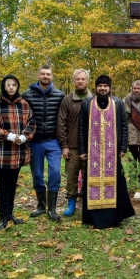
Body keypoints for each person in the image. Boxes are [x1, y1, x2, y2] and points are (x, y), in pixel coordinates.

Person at [78, 75, 135, 229]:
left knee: (116, 183)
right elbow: (82, 128)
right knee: (92, 184)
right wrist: (82, 150)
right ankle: (94, 218)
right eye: (100, 86)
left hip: (112, 152)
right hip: (93, 153)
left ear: (110, 88)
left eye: (105, 86)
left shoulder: (117, 103)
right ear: (96, 87)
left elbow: (124, 125)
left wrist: (123, 147)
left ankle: (114, 217)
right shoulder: (87, 103)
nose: (102, 88)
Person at [0, 75, 35, 231]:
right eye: (9, 85)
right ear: (4, 86)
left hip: (18, 151)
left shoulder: (24, 105)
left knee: (13, 184)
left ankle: (10, 213)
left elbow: (32, 124)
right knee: (3, 184)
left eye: (14, 85)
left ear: (17, 87)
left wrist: (24, 136)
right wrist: (8, 135)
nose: (11, 87)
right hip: (1, 152)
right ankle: (3, 216)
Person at [22, 65, 65, 222]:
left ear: (52, 76)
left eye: (48, 74)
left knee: (55, 173)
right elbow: (22, 118)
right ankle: (41, 205)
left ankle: (52, 209)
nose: (45, 76)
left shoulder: (60, 95)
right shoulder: (27, 95)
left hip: (53, 141)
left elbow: (64, 118)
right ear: (38, 75)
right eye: (43, 74)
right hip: (35, 142)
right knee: (38, 175)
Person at [57, 69, 93, 217]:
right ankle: (71, 204)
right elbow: (61, 124)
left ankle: (87, 204)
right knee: (71, 176)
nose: (80, 81)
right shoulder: (67, 100)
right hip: (72, 147)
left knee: (89, 176)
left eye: (83, 79)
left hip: (91, 147)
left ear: (88, 81)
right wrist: (64, 146)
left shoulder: (94, 100)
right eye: (77, 79)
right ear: (74, 81)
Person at [123, 80, 140, 175]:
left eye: (139, 88)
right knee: (131, 162)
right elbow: (123, 118)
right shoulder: (126, 100)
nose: (136, 90)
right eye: (134, 88)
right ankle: (132, 186)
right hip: (131, 135)